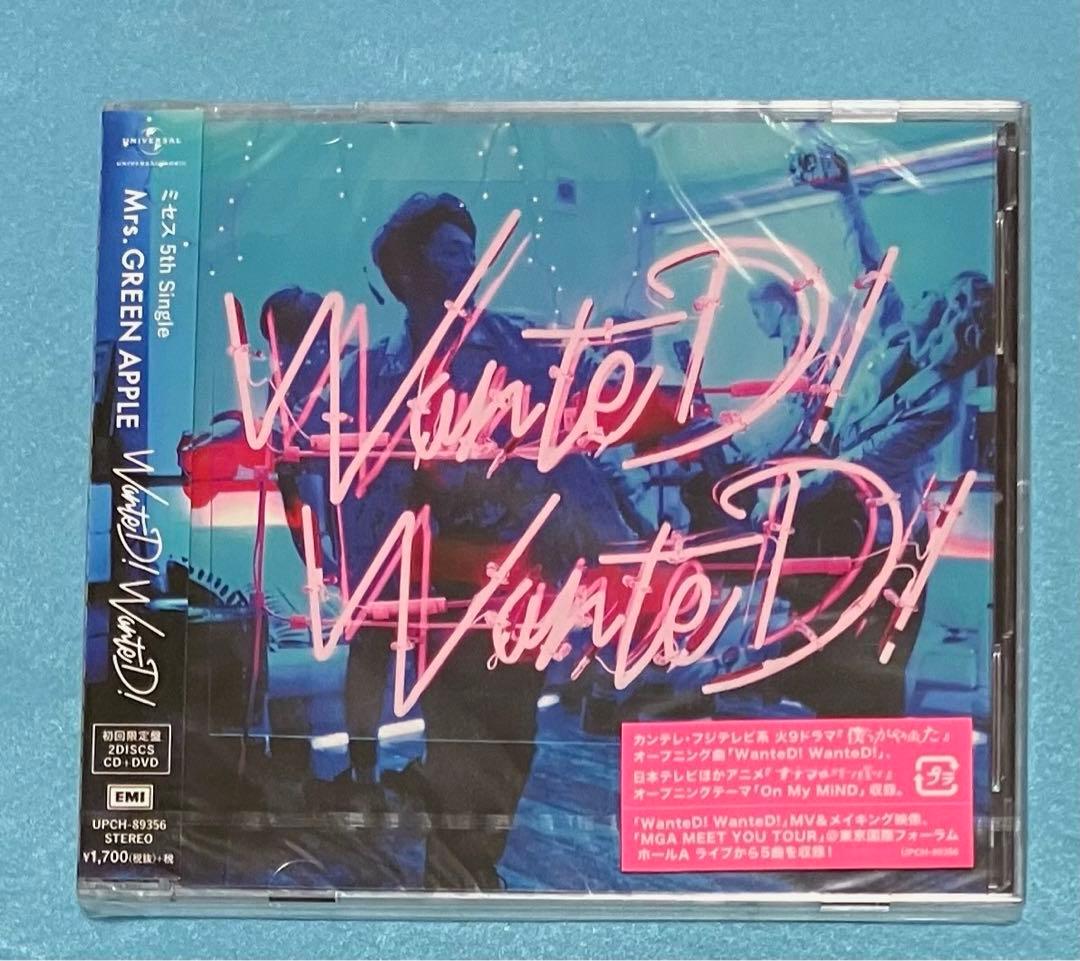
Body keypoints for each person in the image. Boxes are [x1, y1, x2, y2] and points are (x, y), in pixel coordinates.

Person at [369, 192, 640, 889]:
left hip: (520, 572)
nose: (468, 266)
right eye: (449, 253)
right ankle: (457, 873)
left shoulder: (512, 343)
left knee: (512, 729)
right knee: (457, 733)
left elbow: (575, 425)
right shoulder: (387, 364)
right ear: (408, 270)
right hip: (441, 575)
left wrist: (615, 539)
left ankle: (469, 865)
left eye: (470, 252)